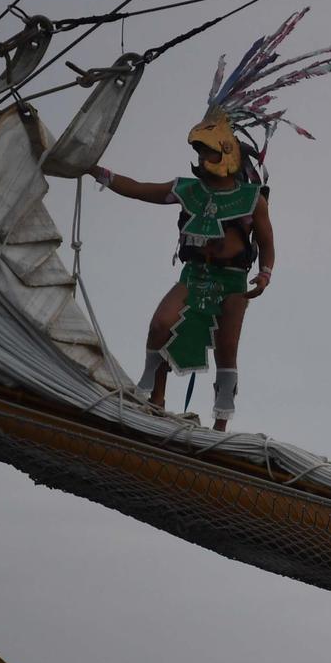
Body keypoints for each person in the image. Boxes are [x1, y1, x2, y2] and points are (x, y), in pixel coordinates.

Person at [89, 107, 272, 427]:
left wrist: (265, 273)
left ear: (227, 152)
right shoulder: (187, 189)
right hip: (195, 273)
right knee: (161, 325)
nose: (203, 159)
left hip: (232, 281)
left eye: (209, 152)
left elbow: (268, 243)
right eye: (199, 153)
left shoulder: (252, 199)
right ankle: (156, 400)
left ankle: (219, 427)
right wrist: (99, 172)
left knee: (226, 351)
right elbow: (140, 188)